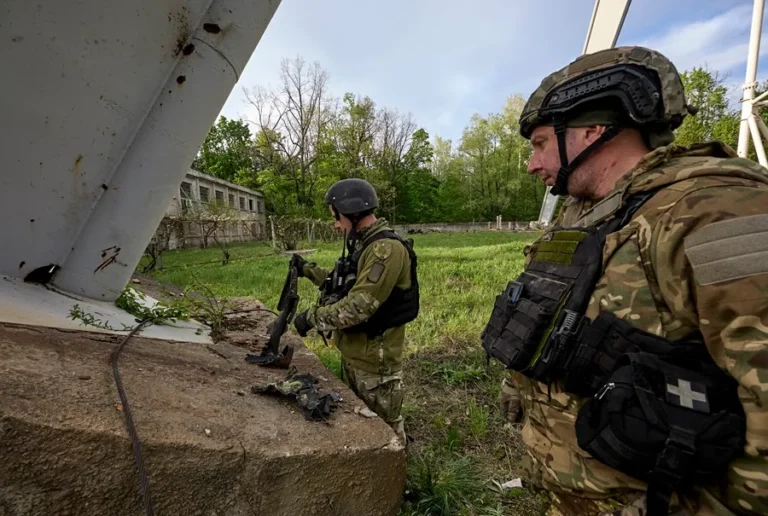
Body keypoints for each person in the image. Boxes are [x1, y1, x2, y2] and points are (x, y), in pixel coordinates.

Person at [482, 45, 768, 515]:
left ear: (591, 131)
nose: (532, 164)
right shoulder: (584, 216)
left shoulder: (714, 210)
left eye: (538, 144)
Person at [291, 178, 418, 446]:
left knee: (386, 433)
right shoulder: (365, 246)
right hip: (357, 354)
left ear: (353, 213)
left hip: (375, 363)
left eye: (337, 217)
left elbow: (358, 307)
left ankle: (400, 482)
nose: (336, 225)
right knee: (365, 428)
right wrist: (308, 270)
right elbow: (343, 281)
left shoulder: (386, 250)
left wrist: (312, 317)